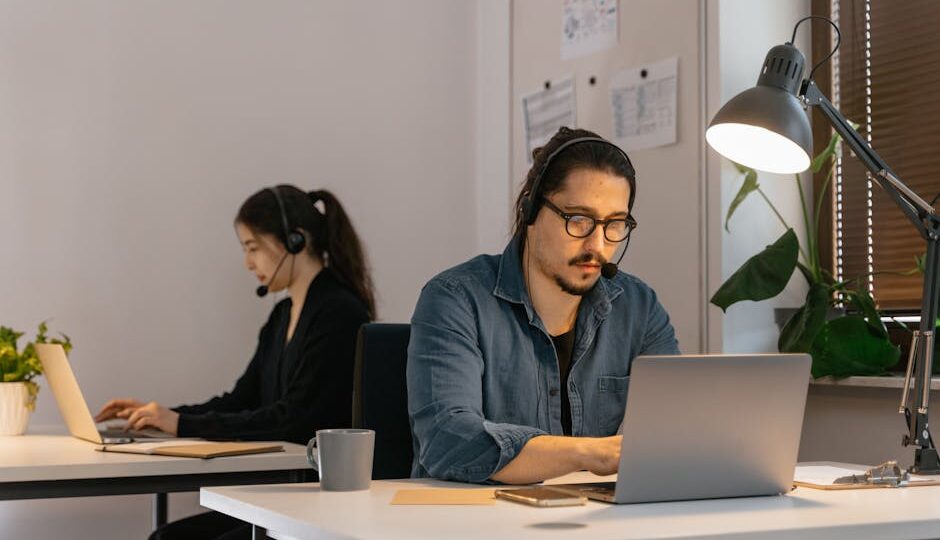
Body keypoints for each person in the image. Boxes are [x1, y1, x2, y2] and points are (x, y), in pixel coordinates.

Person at [95, 185, 373, 540]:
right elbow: (241, 399)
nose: (248, 263)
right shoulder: (282, 316)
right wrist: (161, 417)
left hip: (314, 498)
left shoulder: (338, 312)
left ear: (294, 242)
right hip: (283, 493)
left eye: (253, 248)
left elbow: (295, 418)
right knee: (167, 537)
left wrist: (181, 423)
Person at [407, 127, 679, 485]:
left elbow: (678, 427)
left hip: (595, 523)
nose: (597, 245)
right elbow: (448, 440)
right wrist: (588, 453)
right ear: (531, 210)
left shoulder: (639, 308)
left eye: (614, 224)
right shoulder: (455, 299)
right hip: (475, 523)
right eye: (579, 220)